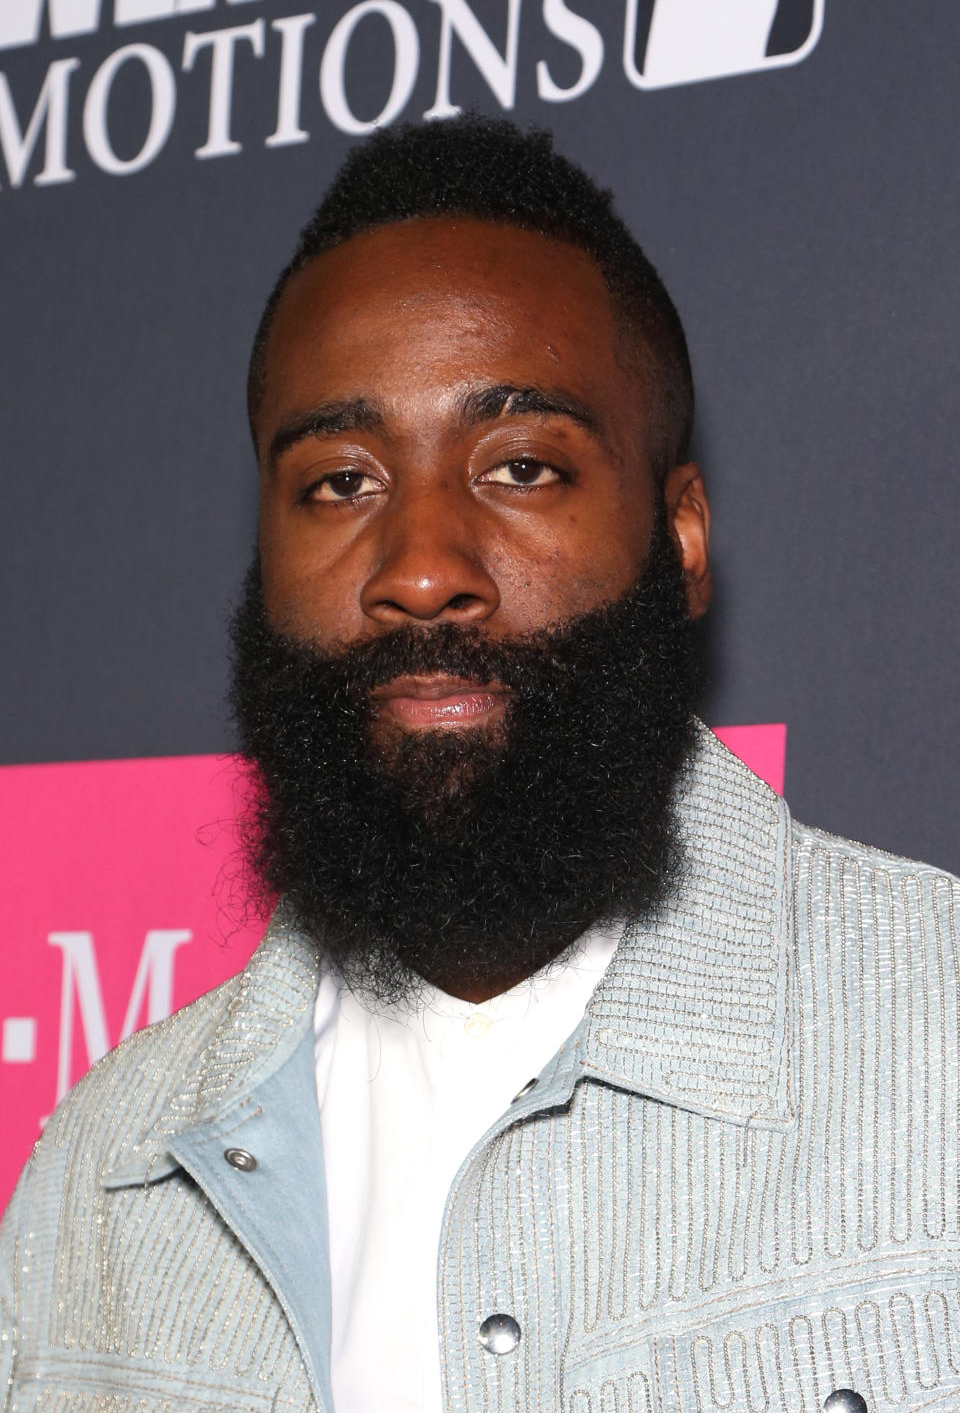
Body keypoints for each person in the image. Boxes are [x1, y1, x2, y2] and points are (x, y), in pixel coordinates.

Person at [1, 116, 957, 1413]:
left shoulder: (932, 1041)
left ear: (677, 539)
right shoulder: (101, 1171)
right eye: (339, 482)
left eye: (521, 466)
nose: (420, 566)